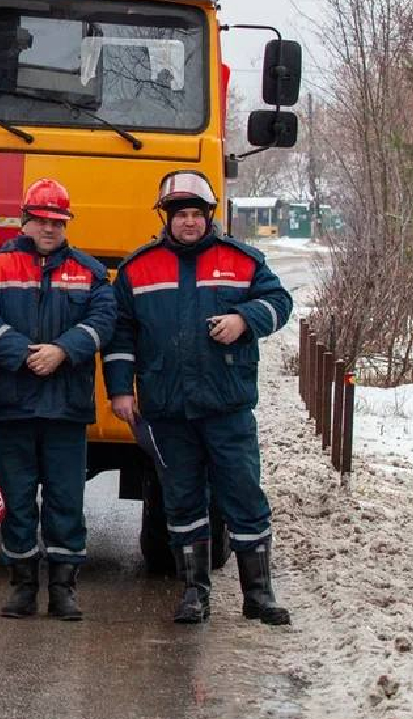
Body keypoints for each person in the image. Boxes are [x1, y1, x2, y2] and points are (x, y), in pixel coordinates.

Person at [104, 170, 293, 626]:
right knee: (182, 501)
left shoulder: (242, 261)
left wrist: (245, 320)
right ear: (166, 219)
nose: (188, 223)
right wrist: (119, 390)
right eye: (180, 215)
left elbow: (280, 302)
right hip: (167, 409)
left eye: (196, 214)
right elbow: (120, 334)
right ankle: (194, 592)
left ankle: (259, 595)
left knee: (244, 496)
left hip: (227, 406)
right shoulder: (137, 269)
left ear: (209, 217)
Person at [0, 178, 117, 620]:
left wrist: (63, 352)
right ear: (25, 220)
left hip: (65, 406)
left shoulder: (90, 272)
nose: (49, 229)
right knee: (16, 498)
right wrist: (22, 354)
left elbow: (104, 320)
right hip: (12, 404)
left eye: (57, 222)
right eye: (41, 220)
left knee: (65, 498)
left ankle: (64, 588)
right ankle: (22, 586)